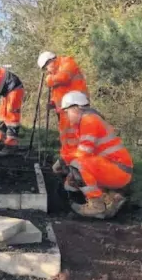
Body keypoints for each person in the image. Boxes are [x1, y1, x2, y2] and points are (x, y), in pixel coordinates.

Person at [53, 91, 133, 219]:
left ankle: (97, 206)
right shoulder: (87, 121)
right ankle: (110, 200)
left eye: (67, 112)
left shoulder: (89, 121)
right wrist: (64, 162)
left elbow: (83, 153)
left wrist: (63, 161)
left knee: (77, 165)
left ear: (75, 108)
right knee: (71, 182)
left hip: (118, 170)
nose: (67, 116)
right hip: (113, 167)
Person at [37, 51, 89, 164]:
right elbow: (59, 91)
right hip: (64, 110)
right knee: (65, 136)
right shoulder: (55, 72)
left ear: (51, 61)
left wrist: (49, 80)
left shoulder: (67, 62)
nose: (47, 70)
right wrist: (52, 102)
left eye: (46, 67)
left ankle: (77, 162)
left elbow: (64, 78)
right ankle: (68, 160)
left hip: (77, 107)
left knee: (75, 136)